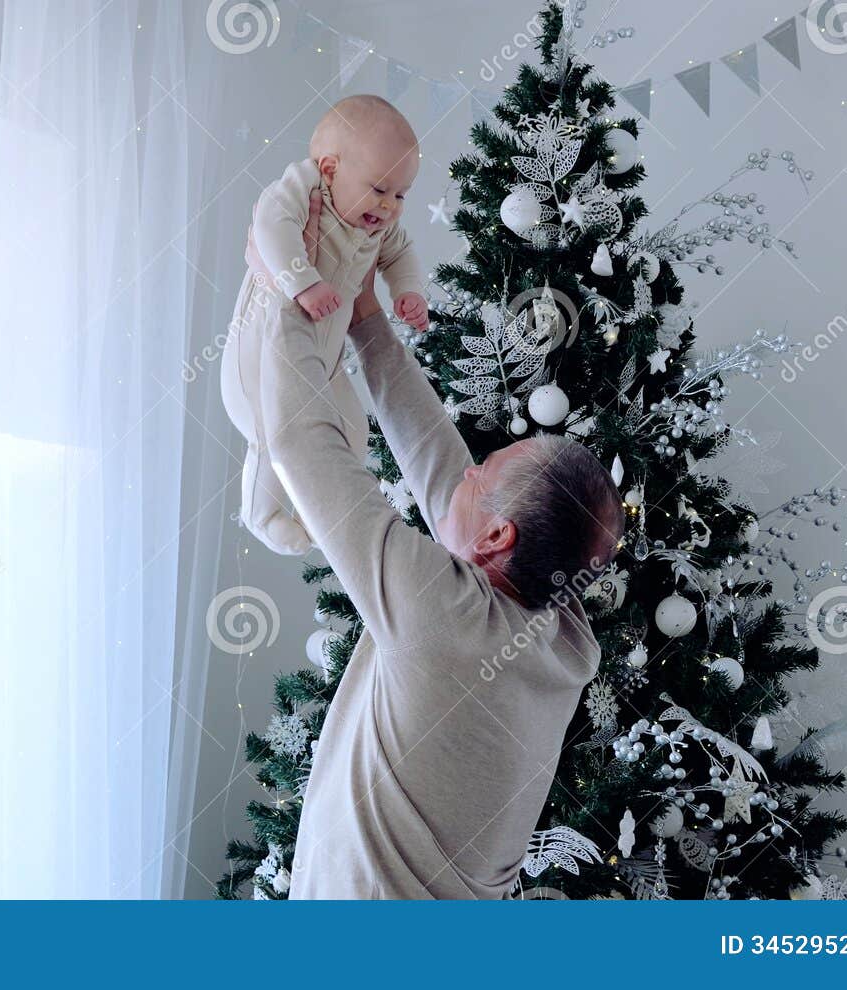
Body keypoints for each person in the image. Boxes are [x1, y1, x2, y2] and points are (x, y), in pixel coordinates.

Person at [242, 190, 624, 899]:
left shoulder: (440, 617)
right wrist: (364, 319)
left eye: (485, 475)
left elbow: (300, 442)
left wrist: (286, 300)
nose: (466, 472)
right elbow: (437, 463)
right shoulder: (566, 638)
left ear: (498, 537)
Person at [221, 94, 429, 557]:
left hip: (323, 360)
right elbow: (270, 225)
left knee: (352, 434)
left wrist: (408, 291)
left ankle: (320, 509)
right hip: (258, 351)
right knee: (271, 427)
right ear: (331, 168)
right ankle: (262, 515)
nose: (390, 206)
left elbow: (401, 254)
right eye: (379, 189)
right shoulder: (304, 186)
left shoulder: (378, 226)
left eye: (400, 194)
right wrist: (301, 282)